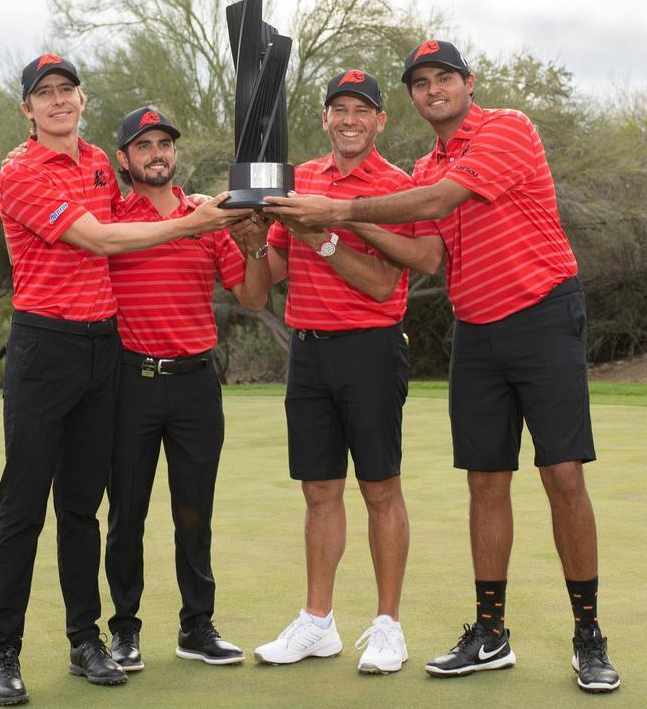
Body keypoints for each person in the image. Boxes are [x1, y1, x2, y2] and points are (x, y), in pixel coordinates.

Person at [262, 41, 621, 692]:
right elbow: (424, 252)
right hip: (476, 330)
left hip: (542, 315)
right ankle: (491, 634)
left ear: (467, 82)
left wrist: (336, 214)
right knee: (485, 482)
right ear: (412, 98)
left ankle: (588, 635)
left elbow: (433, 207)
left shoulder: (506, 130)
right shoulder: (426, 161)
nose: (434, 89)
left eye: (444, 78)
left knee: (562, 474)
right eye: (421, 82)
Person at [0, 53, 245, 706]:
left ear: (81, 97)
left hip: (104, 350)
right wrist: (196, 221)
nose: (57, 101)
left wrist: (208, 211)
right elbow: (99, 239)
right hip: (45, 346)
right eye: (44, 94)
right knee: (22, 507)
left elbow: (134, 214)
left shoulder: (101, 162)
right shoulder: (20, 172)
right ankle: (3, 654)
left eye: (66, 90)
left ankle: (86, 641)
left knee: (82, 507)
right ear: (28, 108)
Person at [252, 70, 415, 675]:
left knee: (379, 489)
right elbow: (270, 269)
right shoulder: (300, 181)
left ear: (379, 122)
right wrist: (247, 231)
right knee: (319, 490)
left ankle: (388, 626)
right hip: (309, 351)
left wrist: (322, 237)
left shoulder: (396, 187)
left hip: (370, 349)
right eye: (338, 109)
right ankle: (318, 623)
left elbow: (380, 284)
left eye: (361, 110)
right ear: (324, 119)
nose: (349, 119)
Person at [102, 106, 270, 672]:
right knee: (127, 512)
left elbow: (253, 298)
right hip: (131, 383)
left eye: (164, 144)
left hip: (195, 384)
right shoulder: (109, 216)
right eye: (144, 145)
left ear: (175, 154)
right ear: (124, 158)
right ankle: (123, 630)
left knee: (195, 512)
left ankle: (197, 625)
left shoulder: (207, 216)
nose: (156, 153)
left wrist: (254, 242)